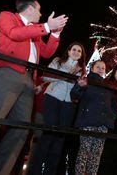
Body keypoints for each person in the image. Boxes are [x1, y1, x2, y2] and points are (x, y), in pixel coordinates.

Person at [0, 0, 67, 175]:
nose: (41, 14)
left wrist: (55, 33)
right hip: (6, 73)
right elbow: (14, 34)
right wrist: (47, 27)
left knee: (21, 130)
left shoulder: (34, 31)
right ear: (29, 9)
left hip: (28, 79)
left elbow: (47, 52)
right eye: (39, 10)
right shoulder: (7, 16)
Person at [27, 42, 86, 175]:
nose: (76, 52)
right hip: (53, 98)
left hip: (68, 104)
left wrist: (81, 86)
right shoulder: (58, 61)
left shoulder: (81, 69)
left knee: (59, 140)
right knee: (48, 134)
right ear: (69, 51)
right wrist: (67, 76)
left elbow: (77, 93)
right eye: (74, 49)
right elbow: (47, 76)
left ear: (81, 55)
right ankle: (34, 171)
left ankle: (50, 171)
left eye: (79, 51)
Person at [70, 60, 116, 175]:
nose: (101, 69)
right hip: (88, 121)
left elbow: (113, 104)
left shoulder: (107, 86)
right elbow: (74, 96)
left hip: (103, 123)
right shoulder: (86, 80)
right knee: (84, 152)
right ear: (92, 69)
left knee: (96, 155)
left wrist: (111, 116)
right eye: (98, 67)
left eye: (103, 68)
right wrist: (79, 87)